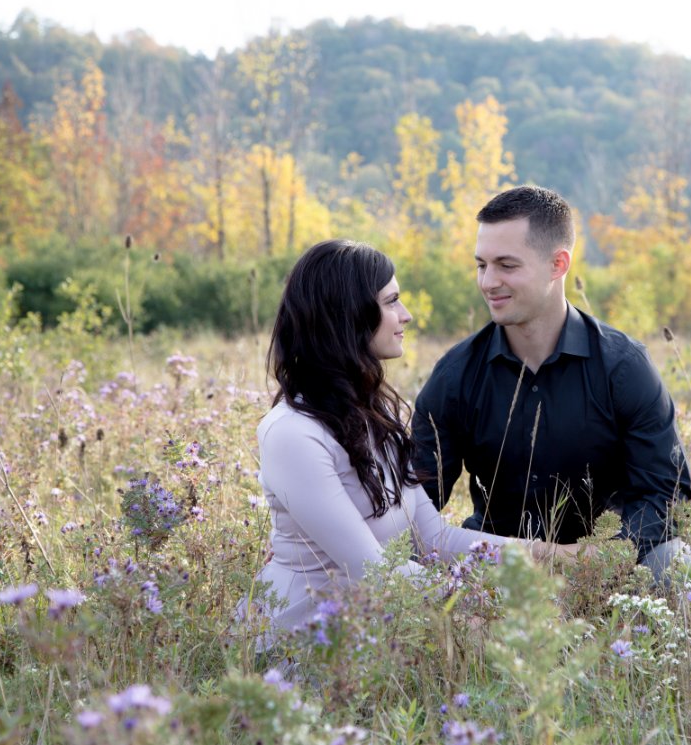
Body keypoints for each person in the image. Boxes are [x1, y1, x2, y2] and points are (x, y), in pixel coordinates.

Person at [241, 239, 566, 636]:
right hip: (307, 642)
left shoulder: (379, 415)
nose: (406, 315)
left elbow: (434, 538)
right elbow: (369, 571)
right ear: (348, 314)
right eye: (391, 301)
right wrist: (475, 613)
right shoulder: (292, 434)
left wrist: (549, 556)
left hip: (379, 626)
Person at [411, 185, 691, 582]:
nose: (488, 282)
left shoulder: (623, 367)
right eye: (481, 265)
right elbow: (417, 502)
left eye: (506, 265)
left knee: (682, 566)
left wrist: (603, 554)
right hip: (499, 567)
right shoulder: (455, 375)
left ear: (558, 264)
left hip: (611, 567)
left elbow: (667, 494)